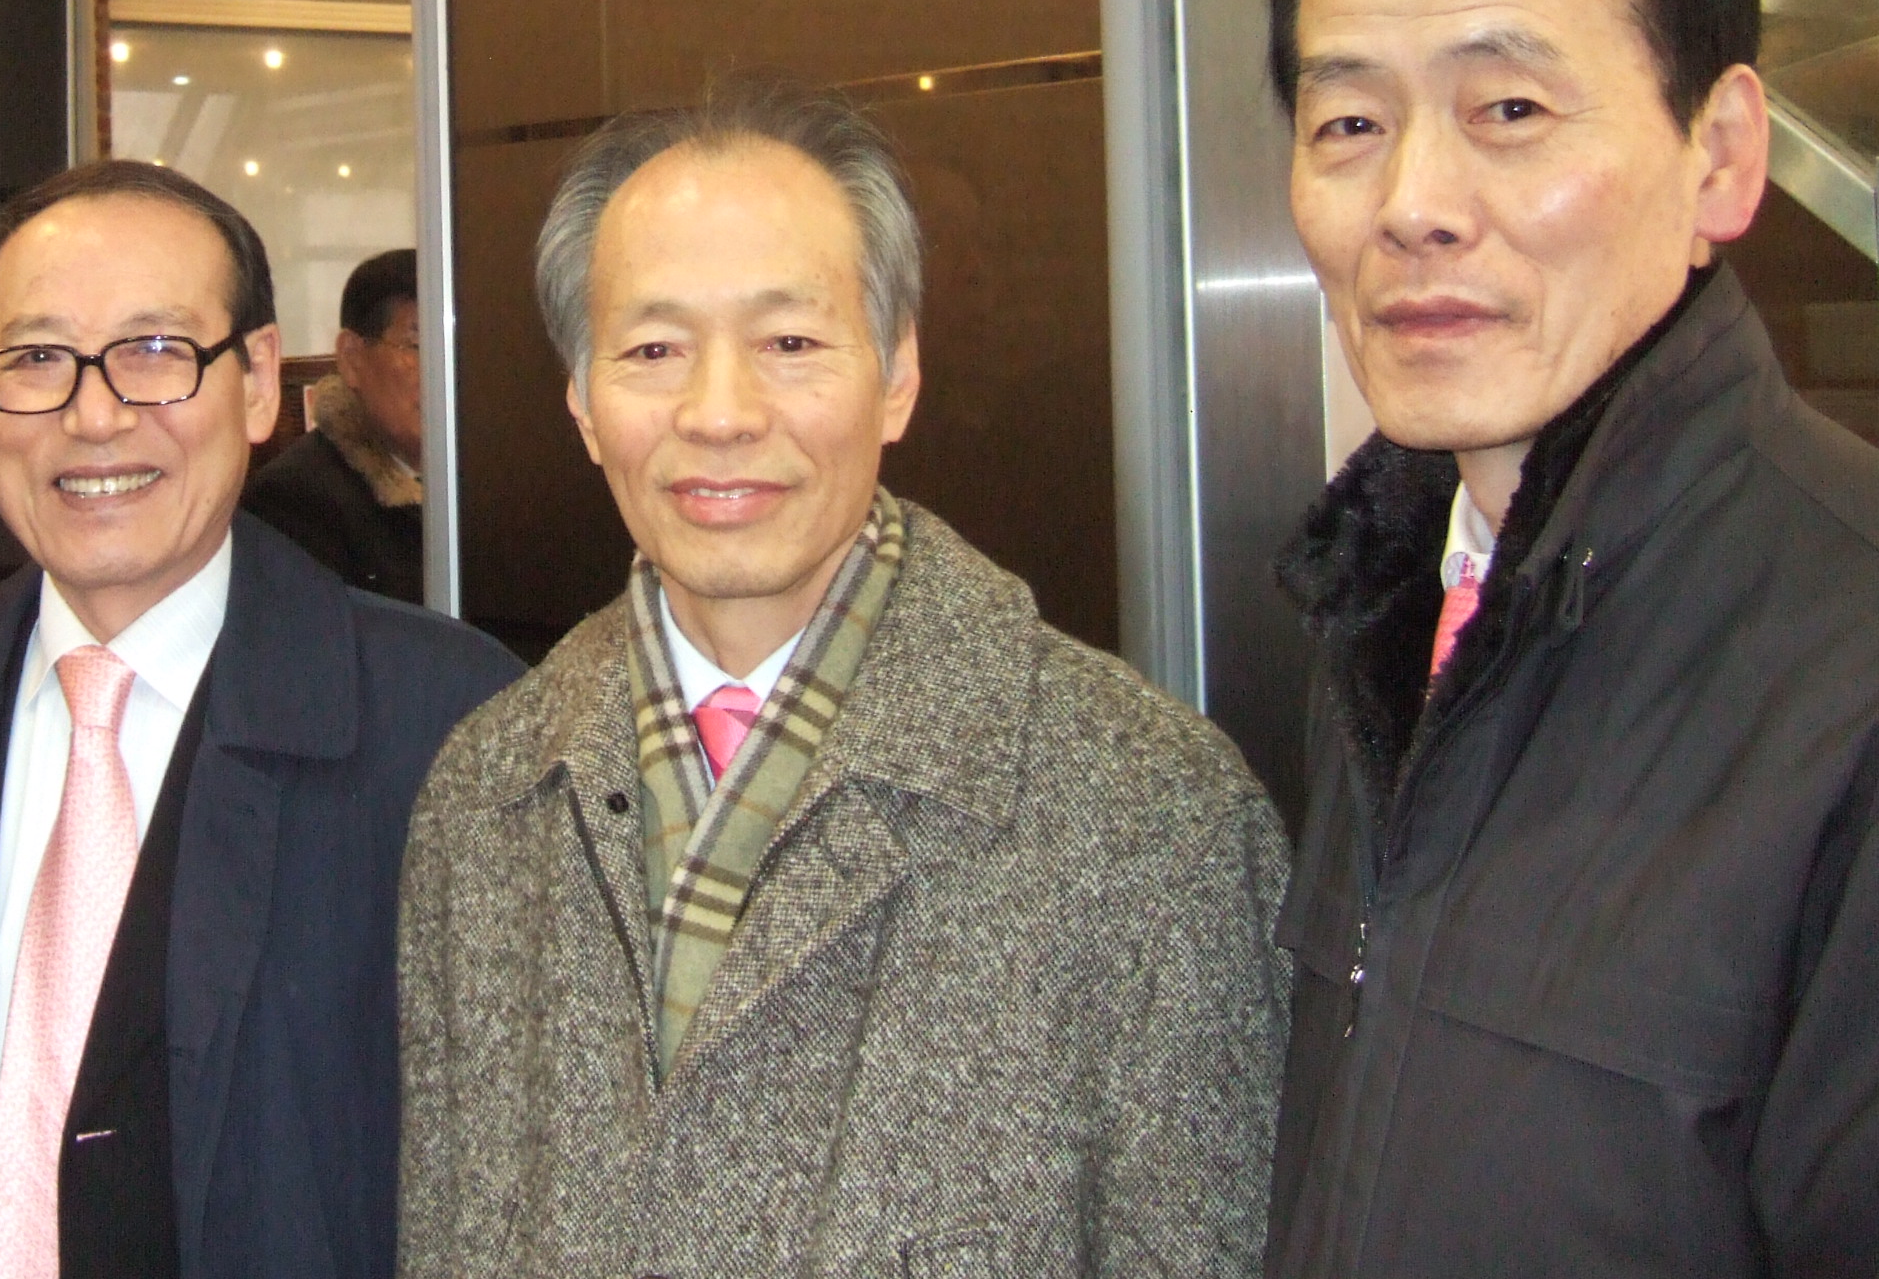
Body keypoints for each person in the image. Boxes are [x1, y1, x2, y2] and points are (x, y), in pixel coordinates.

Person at [396, 79, 1291, 1279]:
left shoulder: (1149, 813)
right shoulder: (485, 794)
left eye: (790, 343)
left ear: (897, 376)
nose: (719, 413)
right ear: (583, 404)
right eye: (653, 350)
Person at [1260, 0, 1879, 1277]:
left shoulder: (1869, 659)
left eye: (1509, 111)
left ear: (1721, 155)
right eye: (1349, 124)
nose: (1414, 207)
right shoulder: (1392, 607)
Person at [0, 161, 519, 1279]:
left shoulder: (446, 723)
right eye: (37, 360)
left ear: (258, 381)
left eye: (156, 351)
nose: (96, 415)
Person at [242, 246, 424, 601]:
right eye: (417, 345)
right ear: (352, 358)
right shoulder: (292, 501)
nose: (445, 370)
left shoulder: (489, 482)